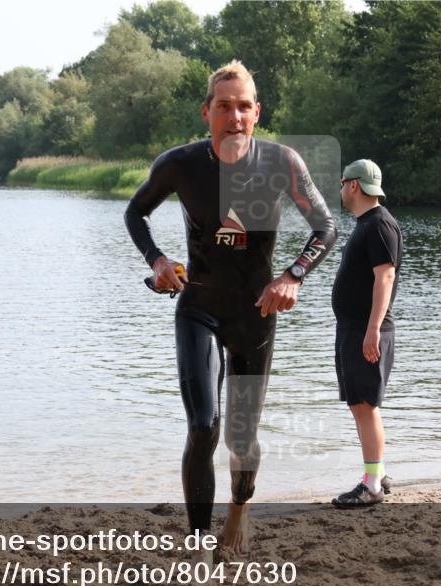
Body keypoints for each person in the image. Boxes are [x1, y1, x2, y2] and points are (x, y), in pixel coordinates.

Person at [125, 60, 336, 552]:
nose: (235, 116)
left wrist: (293, 276)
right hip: (197, 306)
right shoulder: (180, 164)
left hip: (254, 315)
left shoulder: (282, 162)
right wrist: (157, 260)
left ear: (257, 113)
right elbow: (136, 211)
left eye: (244, 107)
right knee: (203, 425)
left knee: (241, 439)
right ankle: (198, 540)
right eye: (225, 107)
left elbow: (324, 227)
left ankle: (238, 515)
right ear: (207, 112)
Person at [331, 159, 402, 508]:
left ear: (354, 185)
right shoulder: (367, 223)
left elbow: (384, 277)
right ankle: (379, 473)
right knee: (359, 404)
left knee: (365, 405)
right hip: (355, 328)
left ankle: (372, 484)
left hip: (366, 329)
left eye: (343, 183)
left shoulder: (378, 225)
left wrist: (372, 329)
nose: (341, 189)